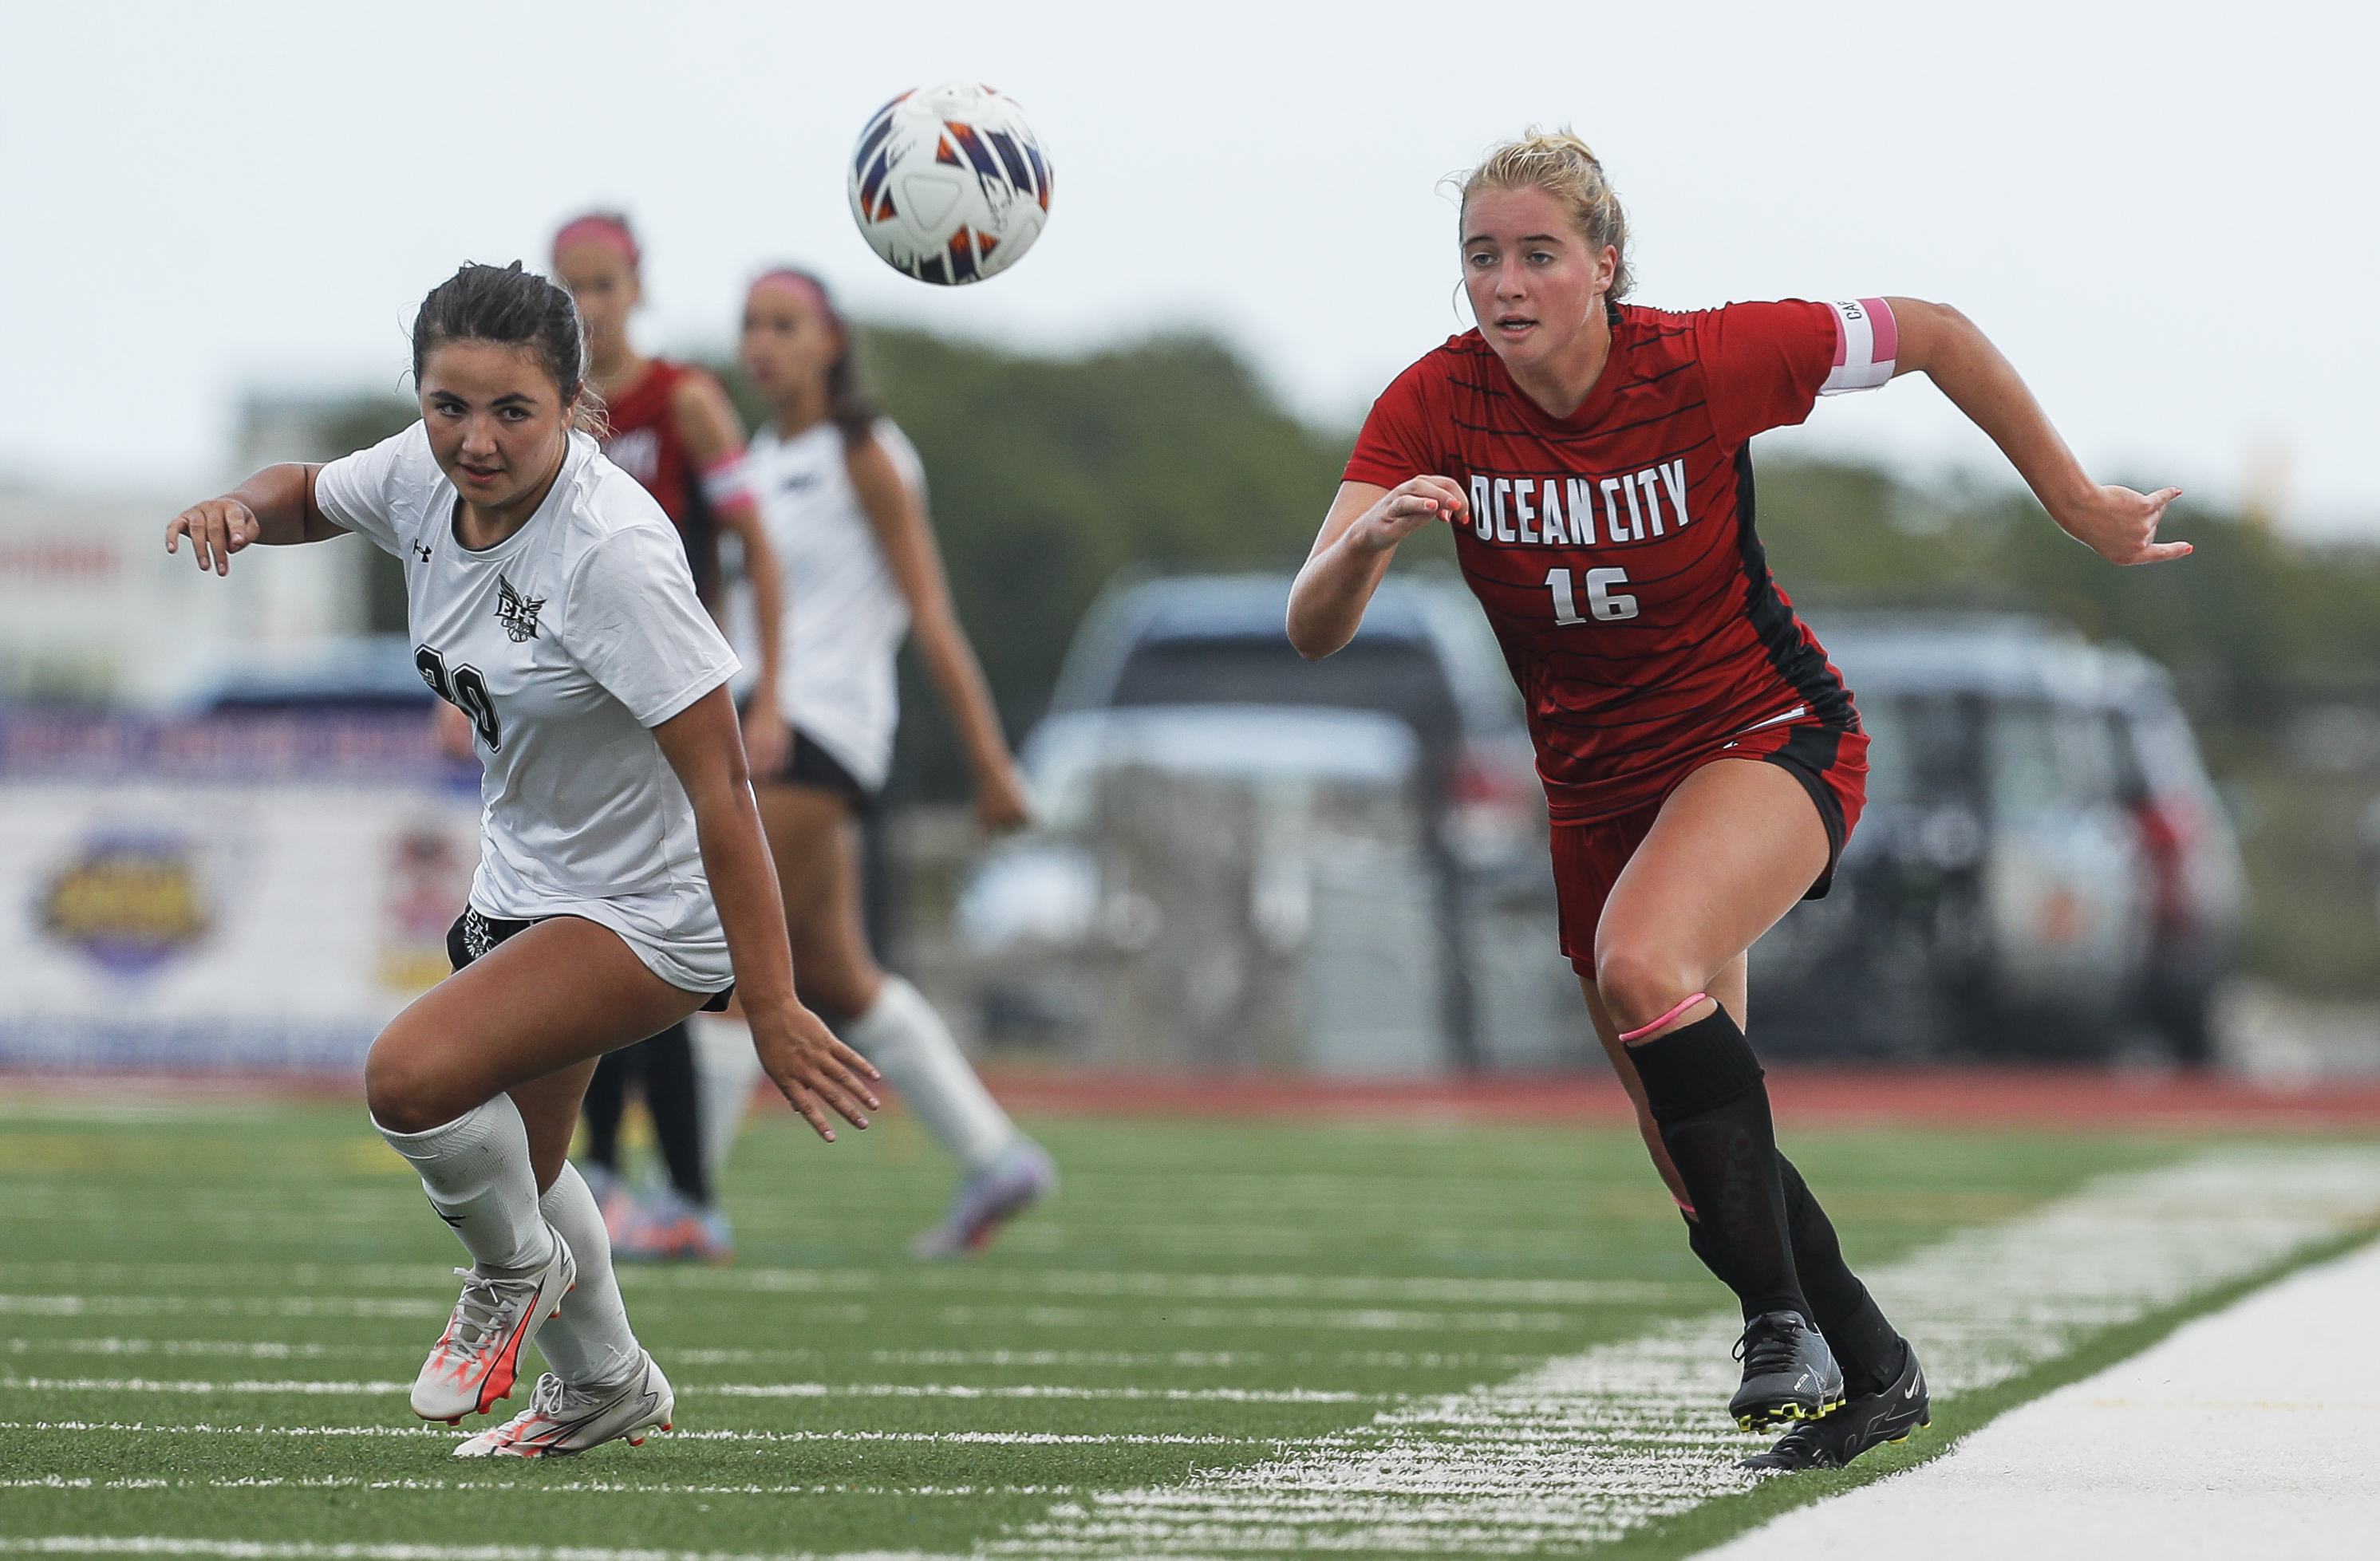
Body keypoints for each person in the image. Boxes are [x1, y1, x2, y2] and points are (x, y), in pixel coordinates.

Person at [1285, 132, 2188, 1472]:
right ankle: (1871, 1366)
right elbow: (1309, 626)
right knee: (1696, 1162)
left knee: (1640, 963)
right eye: (1481, 255)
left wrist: (2071, 502)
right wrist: (1360, 547)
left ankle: (1776, 1321)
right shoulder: (1430, 403)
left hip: (1762, 738)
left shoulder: (1700, 361)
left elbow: (1931, 332)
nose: (1506, 281)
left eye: (1537, 252)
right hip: (1594, 798)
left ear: (1604, 263)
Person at [164, 262, 878, 1457]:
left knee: (410, 1078)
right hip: (528, 880)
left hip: (654, 908)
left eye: (511, 413)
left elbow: (725, 787)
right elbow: (304, 492)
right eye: (448, 406)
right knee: (528, 1168)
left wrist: (768, 1000)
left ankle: (512, 1280)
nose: (473, 440)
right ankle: (604, 1382)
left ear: (572, 404)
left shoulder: (612, 556)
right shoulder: (420, 471)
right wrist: (240, 503)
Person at [708, 265, 1055, 1257]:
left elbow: (929, 610)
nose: (762, 342)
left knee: (726, 956)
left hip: (821, 735)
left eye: (784, 323)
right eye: (750, 324)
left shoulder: (865, 453)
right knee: (836, 976)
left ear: (830, 340)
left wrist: (990, 761)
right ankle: (995, 1158)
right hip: (765, 730)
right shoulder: (762, 457)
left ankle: (680, 1196)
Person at [545, 211, 787, 1263]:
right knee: (571, 939)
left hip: (670, 703)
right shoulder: (550, 411)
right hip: (580, 711)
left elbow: (753, 549)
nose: (587, 306)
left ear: (635, 285)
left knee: (659, 947)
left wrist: (764, 694)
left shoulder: (682, 400)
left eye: (601, 285)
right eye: (569, 287)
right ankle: (601, 1172)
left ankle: (687, 1192)